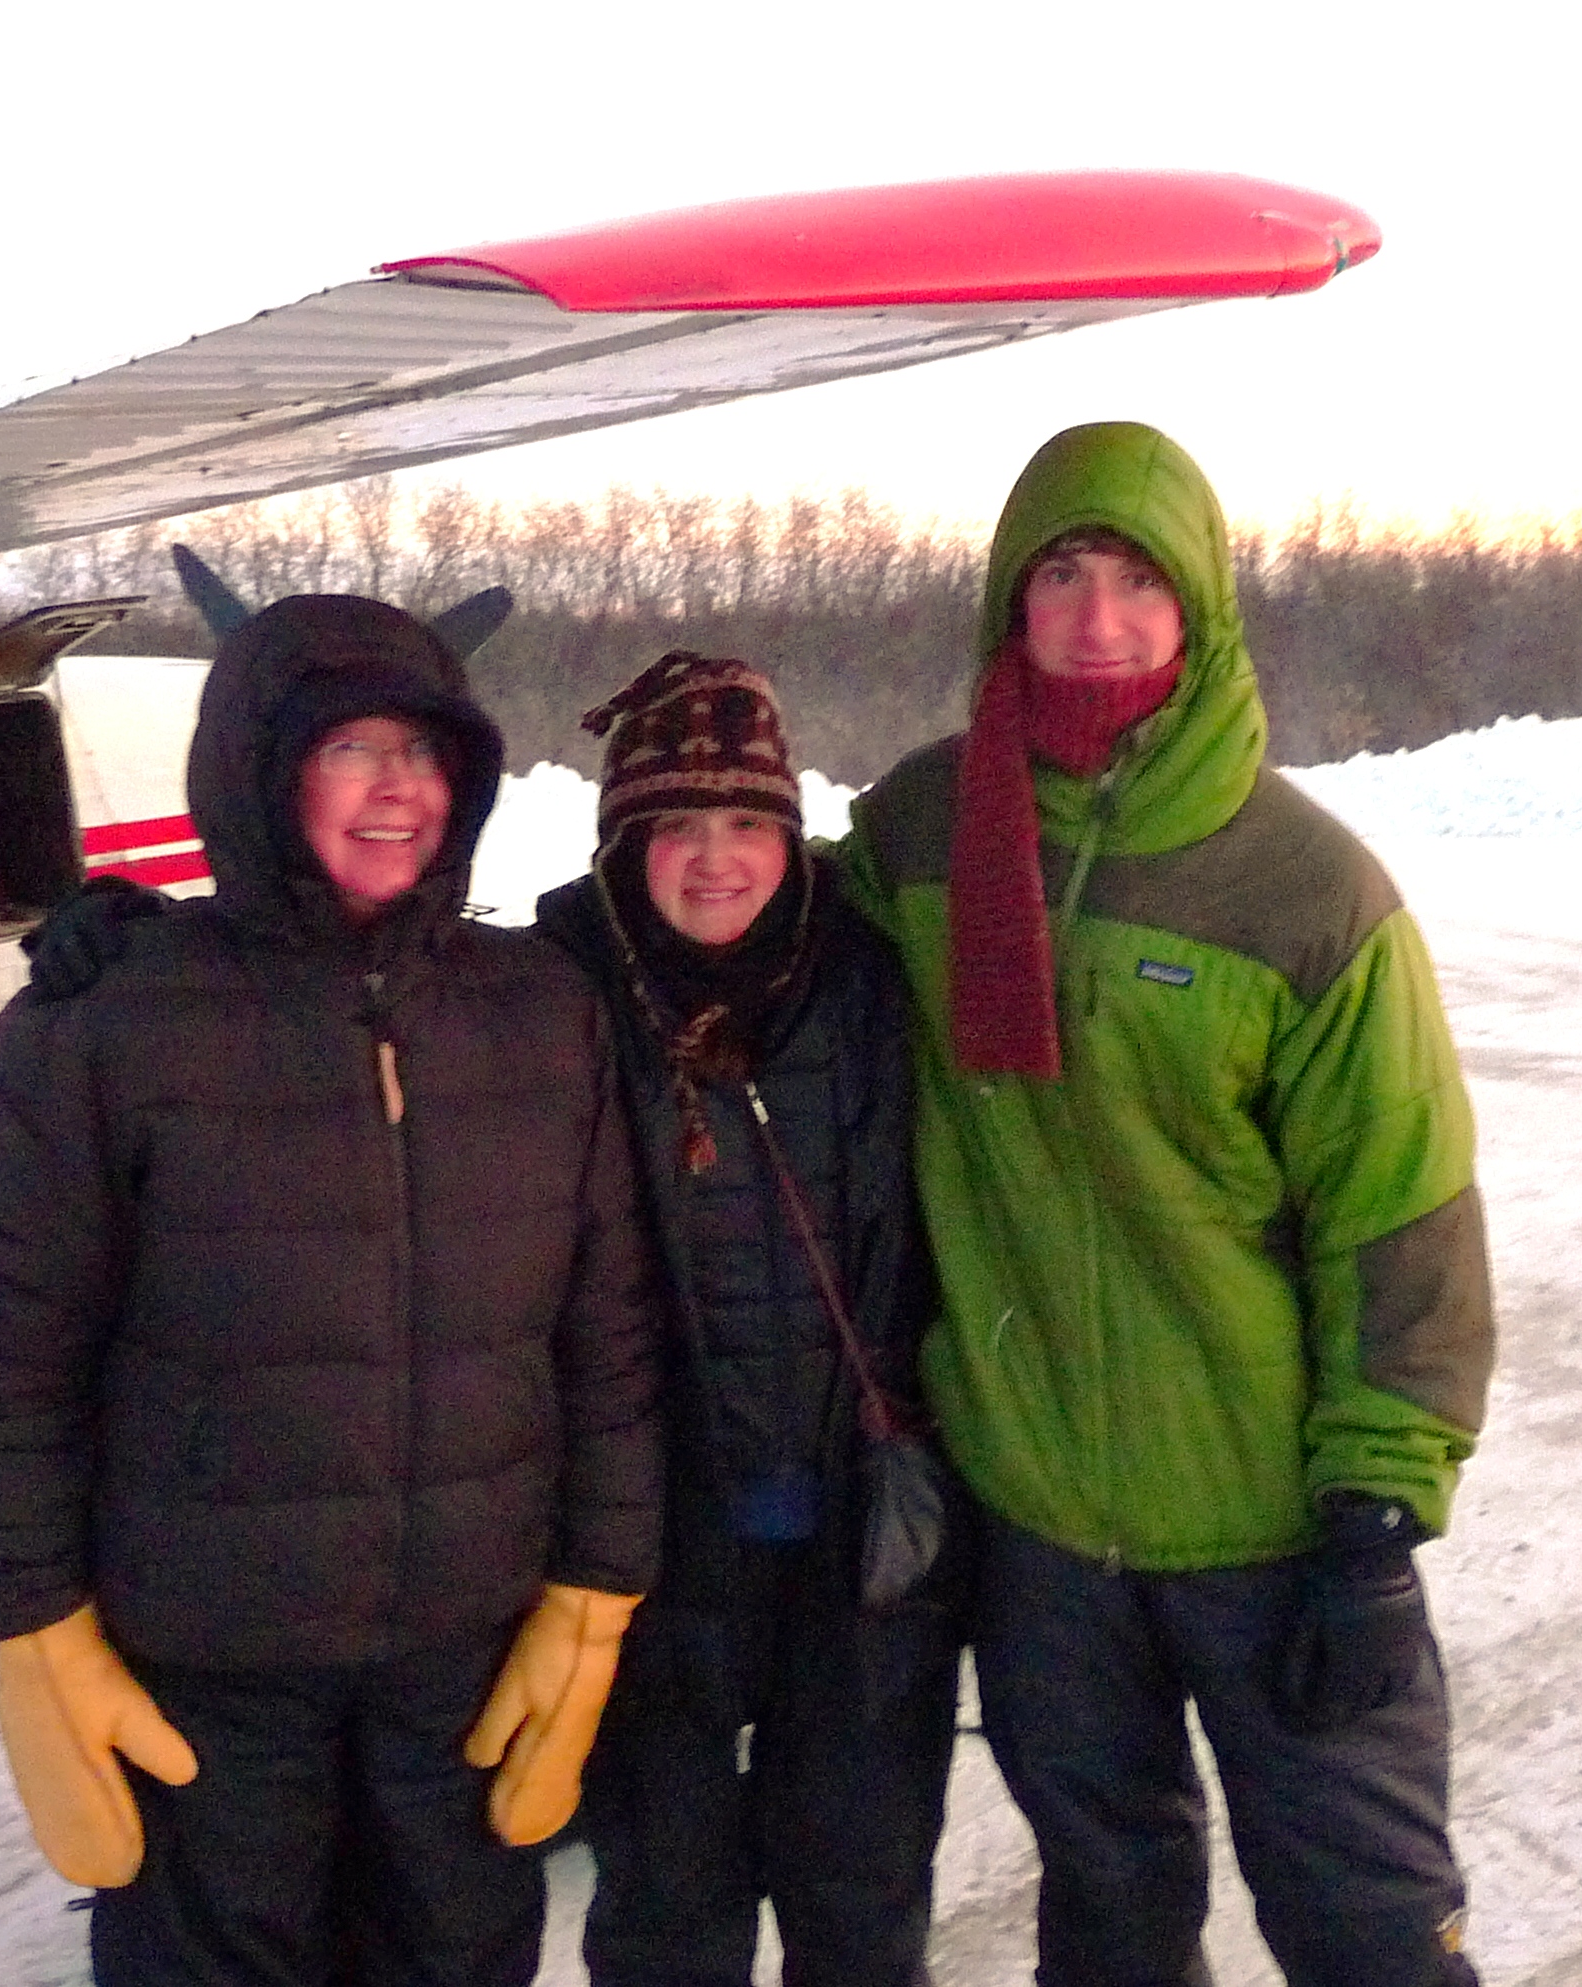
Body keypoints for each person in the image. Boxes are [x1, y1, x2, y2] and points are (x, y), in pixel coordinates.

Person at [0, 586, 663, 1987]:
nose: (397, 789)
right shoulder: (113, 1022)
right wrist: (34, 1630)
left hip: (468, 1648)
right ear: (259, 775)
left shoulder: (539, 1011)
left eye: (424, 751)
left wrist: (590, 1594)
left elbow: (606, 1337)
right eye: (347, 749)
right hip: (208, 1658)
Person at [838, 423, 1495, 1987]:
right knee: (1112, 1911)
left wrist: (1380, 1508)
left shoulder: (1299, 884)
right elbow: (748, 940)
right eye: (1059, 573)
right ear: (1009, 604)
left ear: (1198, 609)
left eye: (1137, 579)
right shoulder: (923, 830)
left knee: (1369, 1927)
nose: (1094, 617)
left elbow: (1400, 1208)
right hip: (1038, 1519)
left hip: (1269, 1520)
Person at [534, 651, 970, 1987]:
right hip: (654, 1547)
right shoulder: (548, 989)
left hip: (863, 1534)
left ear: (789, 830)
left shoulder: (876, 974)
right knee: (664, 1905)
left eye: (742, 823)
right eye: (673, 825)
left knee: (860, 1891)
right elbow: (332, 993)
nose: (711, 860)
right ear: (622, 844)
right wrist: (140, 943)